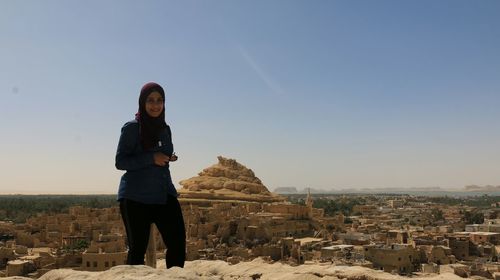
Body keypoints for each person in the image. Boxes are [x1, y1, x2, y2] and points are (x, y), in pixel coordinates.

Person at [115, 82, 185, 268]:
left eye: (159, 100)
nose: (155, 105)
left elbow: (161, 153)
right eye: (150, 100)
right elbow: (121, 162)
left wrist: (168, 158)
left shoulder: (165, 129)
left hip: (163, 194)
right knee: (137, 251)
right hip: (136, 196)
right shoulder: (132, 128)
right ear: (142, 103)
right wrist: (152, 158)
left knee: (178, 245)